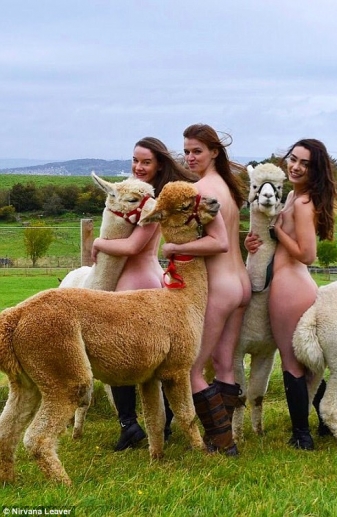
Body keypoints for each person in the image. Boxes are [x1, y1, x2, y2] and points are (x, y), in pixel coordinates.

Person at [92, 136, 198, 451]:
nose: (138, 166)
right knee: (151, 357)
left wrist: (97, 243)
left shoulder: (150, 201)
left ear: (159, 165)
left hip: (135, 281)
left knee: (118, 355)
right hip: (149, 278)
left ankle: (133, 424)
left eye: (146, 162)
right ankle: (153, 424)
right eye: (135, 160)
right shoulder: (135, 193)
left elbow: (133, 246)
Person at [160, 123, 250, 457]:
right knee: (224, 364)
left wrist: (173, 249)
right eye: (186, 151)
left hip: (219, 286)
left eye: (197, 151)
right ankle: (224, 438)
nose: (190, 157)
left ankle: (222, 444)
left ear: (214, 152)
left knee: (192, 369)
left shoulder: (201, 191)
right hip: (240, 284)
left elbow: (219, 242)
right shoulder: (228, 187)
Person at [246, 139, 337, 450]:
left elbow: (307, 254)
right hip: (292, 283)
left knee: (291, 362)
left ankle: (302, 434)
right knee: (305, 360)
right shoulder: (292, 196)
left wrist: (277, 233)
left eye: (305, 164)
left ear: (315, 170)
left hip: (290, 287)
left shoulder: (302, 204)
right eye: (293, 159)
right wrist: (255, 241)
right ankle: (324, 420)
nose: (296, 166)